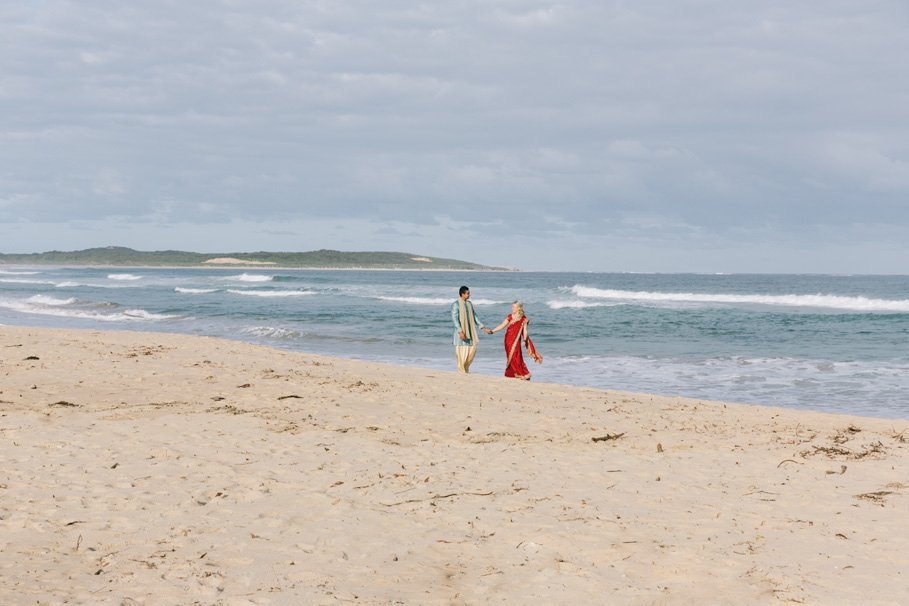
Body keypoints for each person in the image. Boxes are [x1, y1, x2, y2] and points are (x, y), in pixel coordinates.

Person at [490, 300, 543, 380]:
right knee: (510, 356)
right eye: (512, 307)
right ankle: (513, 373)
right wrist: (492, 331)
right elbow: (502, 325)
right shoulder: (510, 316)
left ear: (519, 308)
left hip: (516, 341)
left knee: (517, 356)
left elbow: (525, 331)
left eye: (514, 307)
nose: (512, 308)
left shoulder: (523, 319)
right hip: (508, 340)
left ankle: (521, 373)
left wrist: (524, 340)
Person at [451, 285, 492, 373]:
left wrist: (483, 327)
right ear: (462, 294)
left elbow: (474, 317)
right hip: (461, 333)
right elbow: (455, 319)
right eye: (467, 293)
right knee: (462, 353)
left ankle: (465, 370)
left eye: (469, 293)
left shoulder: (469, 304)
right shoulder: (456, 304)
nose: (469, 295)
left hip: (470, 332)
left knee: (472, 351)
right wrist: (460, 331)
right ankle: (462, 371)